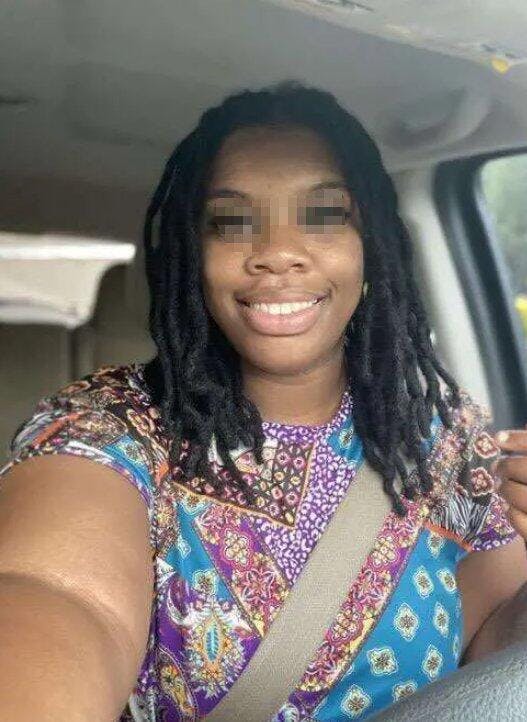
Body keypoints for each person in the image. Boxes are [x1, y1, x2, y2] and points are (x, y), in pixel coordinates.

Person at [1, 81, 527, 722]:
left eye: (325, 215)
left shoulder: (440, 436)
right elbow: (54, 593)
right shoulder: (109, 428)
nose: (277, 253)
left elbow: (495, 648)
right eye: (231, 223)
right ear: (193, 255)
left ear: (372, 247)